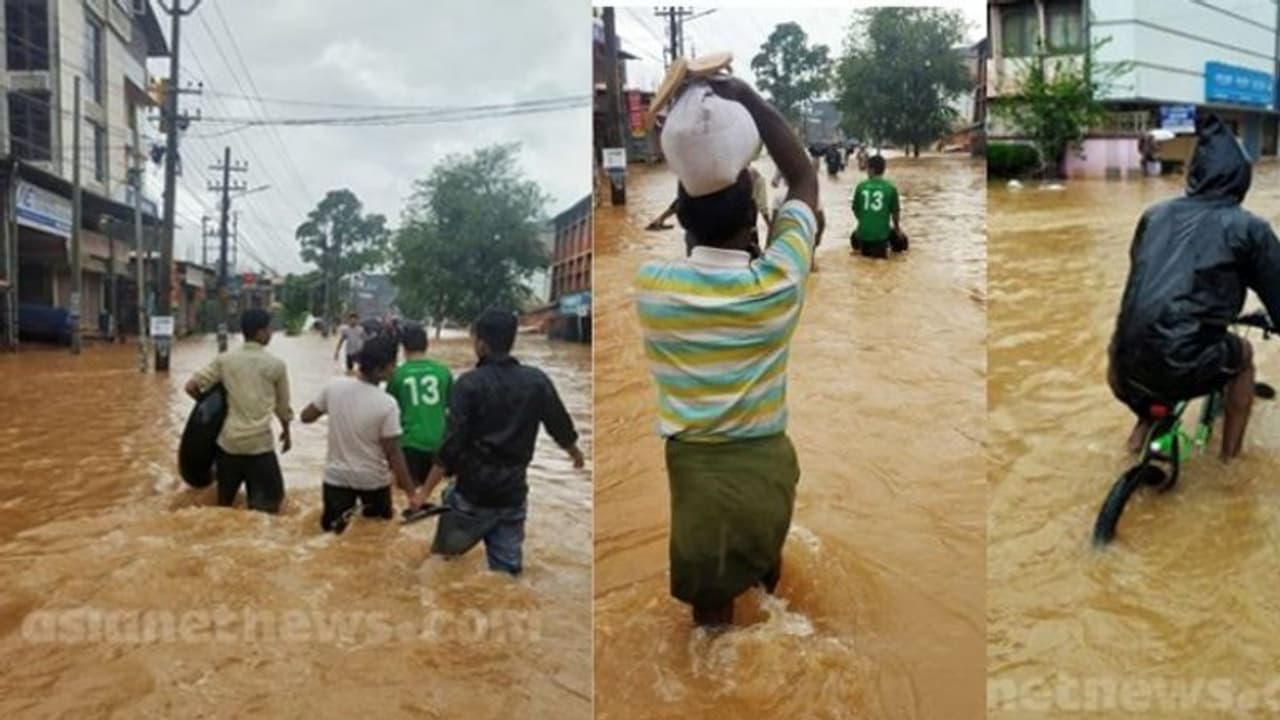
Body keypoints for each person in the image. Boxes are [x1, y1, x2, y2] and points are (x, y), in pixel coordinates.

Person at [634, 75, 819, 627]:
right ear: (754, 219)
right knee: (769, 596)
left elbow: (695, 231)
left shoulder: (654, 289)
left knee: (712, 628)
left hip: (699, 481)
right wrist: (748, 98)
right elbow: (805, 178)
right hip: (769, 470)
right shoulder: (780, 282)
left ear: (683, 221)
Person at [1108, 113, 1280, 461]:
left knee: (1159, 349)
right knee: (1242, 359)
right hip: (1181, 362)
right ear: (1240, 179)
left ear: (1195, 173)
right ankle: (1230, 461)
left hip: (1120, 367)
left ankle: (1137, 440)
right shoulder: (1249, 228)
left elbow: (1143, 276)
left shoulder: (1154, 215)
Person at [409, 310, 585, 575]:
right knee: (506, 575)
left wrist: (423, 493)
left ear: (481, 343)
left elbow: (450, 447)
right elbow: (559, 425)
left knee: (441, 566)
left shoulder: (468, 385)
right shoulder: (536, 380)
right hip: (512, 495)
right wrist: (575, 454)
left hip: (472, 494)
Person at [301, 336, 418, 533]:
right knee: (376, 540)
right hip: (373, 482)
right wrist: (411, 493)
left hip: (336, 479)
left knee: (331, 538)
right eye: (393, 365)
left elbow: (306, 417)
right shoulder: (387, 404)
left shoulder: (334, 387)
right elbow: (394, 454)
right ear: (380, 370)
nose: (395, 369)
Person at [184, 308, 292, 513]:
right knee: (270, 513)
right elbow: (282, 408)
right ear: (260, 332)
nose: (270, 334)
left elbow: (191, 387)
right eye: (269, 329)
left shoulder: (225, 360)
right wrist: (287, 433)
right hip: (260, 447)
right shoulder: (276, 365)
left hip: (228, 448)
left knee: (224, 511)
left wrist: (211, 412)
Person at [385, 323, 453, 486]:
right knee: (433, 494)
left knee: (407, 497)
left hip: (410, 443)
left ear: (403, 347)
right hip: (439, 443)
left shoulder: (397, 374)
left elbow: (388, 412)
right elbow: (452, 409)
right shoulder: (443, 372)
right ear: (426, 345)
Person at [850, 154, 908, 259]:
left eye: (867, 168)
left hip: (862, 234)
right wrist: (897, 230)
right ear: (883, 170)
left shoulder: (861, 186)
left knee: (863, 260)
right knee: (900, 243)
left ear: (871, 170)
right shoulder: (890, 188)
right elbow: (895, 213)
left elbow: (855, 210)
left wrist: (865, 221)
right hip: (880, 237)